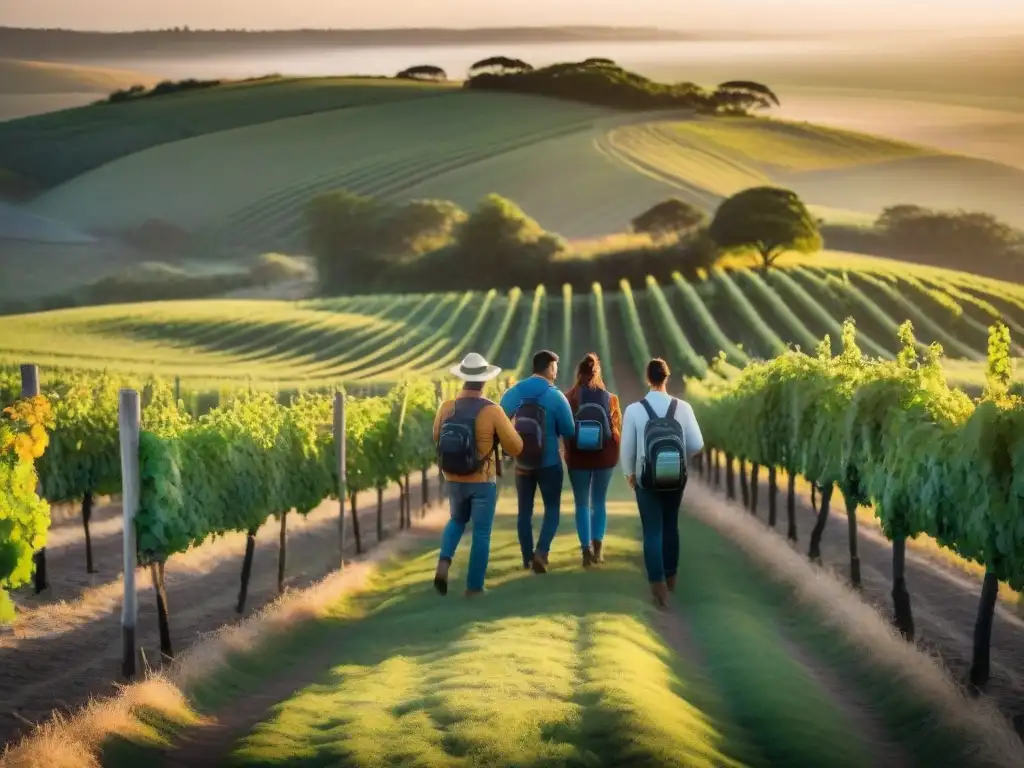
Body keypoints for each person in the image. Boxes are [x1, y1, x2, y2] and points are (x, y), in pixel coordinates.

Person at [433, 352, 523, 597]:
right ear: (484, 381)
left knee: (456, 520)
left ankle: (444, 561)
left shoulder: (447, 407)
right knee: (482, 532)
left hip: (453, 477)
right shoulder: (492, 411)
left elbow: (436, 437)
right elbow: (515, 447)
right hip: (482, 481)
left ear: (462, 379)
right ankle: (474, 587)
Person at [620, 358, 704, 609]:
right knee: (671, 525)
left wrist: (629, 474)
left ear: (648, 378)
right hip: (676, 478)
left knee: (652, 530)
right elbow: (697, 444)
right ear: (666, 377)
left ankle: (656, 584)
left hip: (646, 478)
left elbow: (627, 449)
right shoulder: (683, 408)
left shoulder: (635, 409)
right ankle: (671, 577)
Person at [500, 350, 575, 574]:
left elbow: (501, 421)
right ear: (550, 368)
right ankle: (541, 553)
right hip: (549, 462)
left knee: (524, 512)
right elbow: (569, 430)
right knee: (552, 509)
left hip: (522, 462)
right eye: (555, 366)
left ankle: (526, 557)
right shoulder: (555, 396)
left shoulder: (514, 392)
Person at [563, 353, 621, 568]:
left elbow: (566, 430)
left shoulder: (570, 398)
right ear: (597, 373)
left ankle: (585, 550)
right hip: (603, 458)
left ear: (579, 373)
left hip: (578, 459)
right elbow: (616, 431)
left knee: (581, 504)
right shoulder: (610, 398)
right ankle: (598, 548)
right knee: (599, 502)